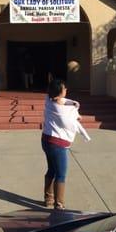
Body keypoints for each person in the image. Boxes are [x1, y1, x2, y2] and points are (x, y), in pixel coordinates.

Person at [41, 79, 91, 210]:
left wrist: (72, 103)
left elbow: (63, 100)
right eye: (64, 89)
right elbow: (73, 124)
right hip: (57, 144)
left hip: (46, 140)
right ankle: (59, 204)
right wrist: (76, 115)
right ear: (59, 92)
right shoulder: (64, 112)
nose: (66, 90)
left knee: (51, 169)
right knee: (61, 174)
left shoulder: (48, 101)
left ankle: (48, 199)